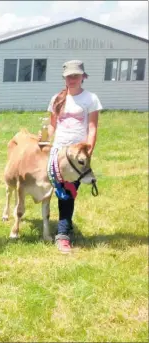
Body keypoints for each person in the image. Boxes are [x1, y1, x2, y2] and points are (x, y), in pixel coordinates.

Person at [45, 60, 102, 254]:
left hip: (77, 155)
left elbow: (93, 127)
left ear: (83, 77)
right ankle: (61, 226)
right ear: (64, 77)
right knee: (57, 190)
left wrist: (89, 150)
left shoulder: (90, 99)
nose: (72, 79)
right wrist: (45, 137)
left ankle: (62, 234)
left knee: (69, 192)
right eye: (69, 76)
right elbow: (52, 125)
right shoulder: (57, 98)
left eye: (76, 76)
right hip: (59, 153)